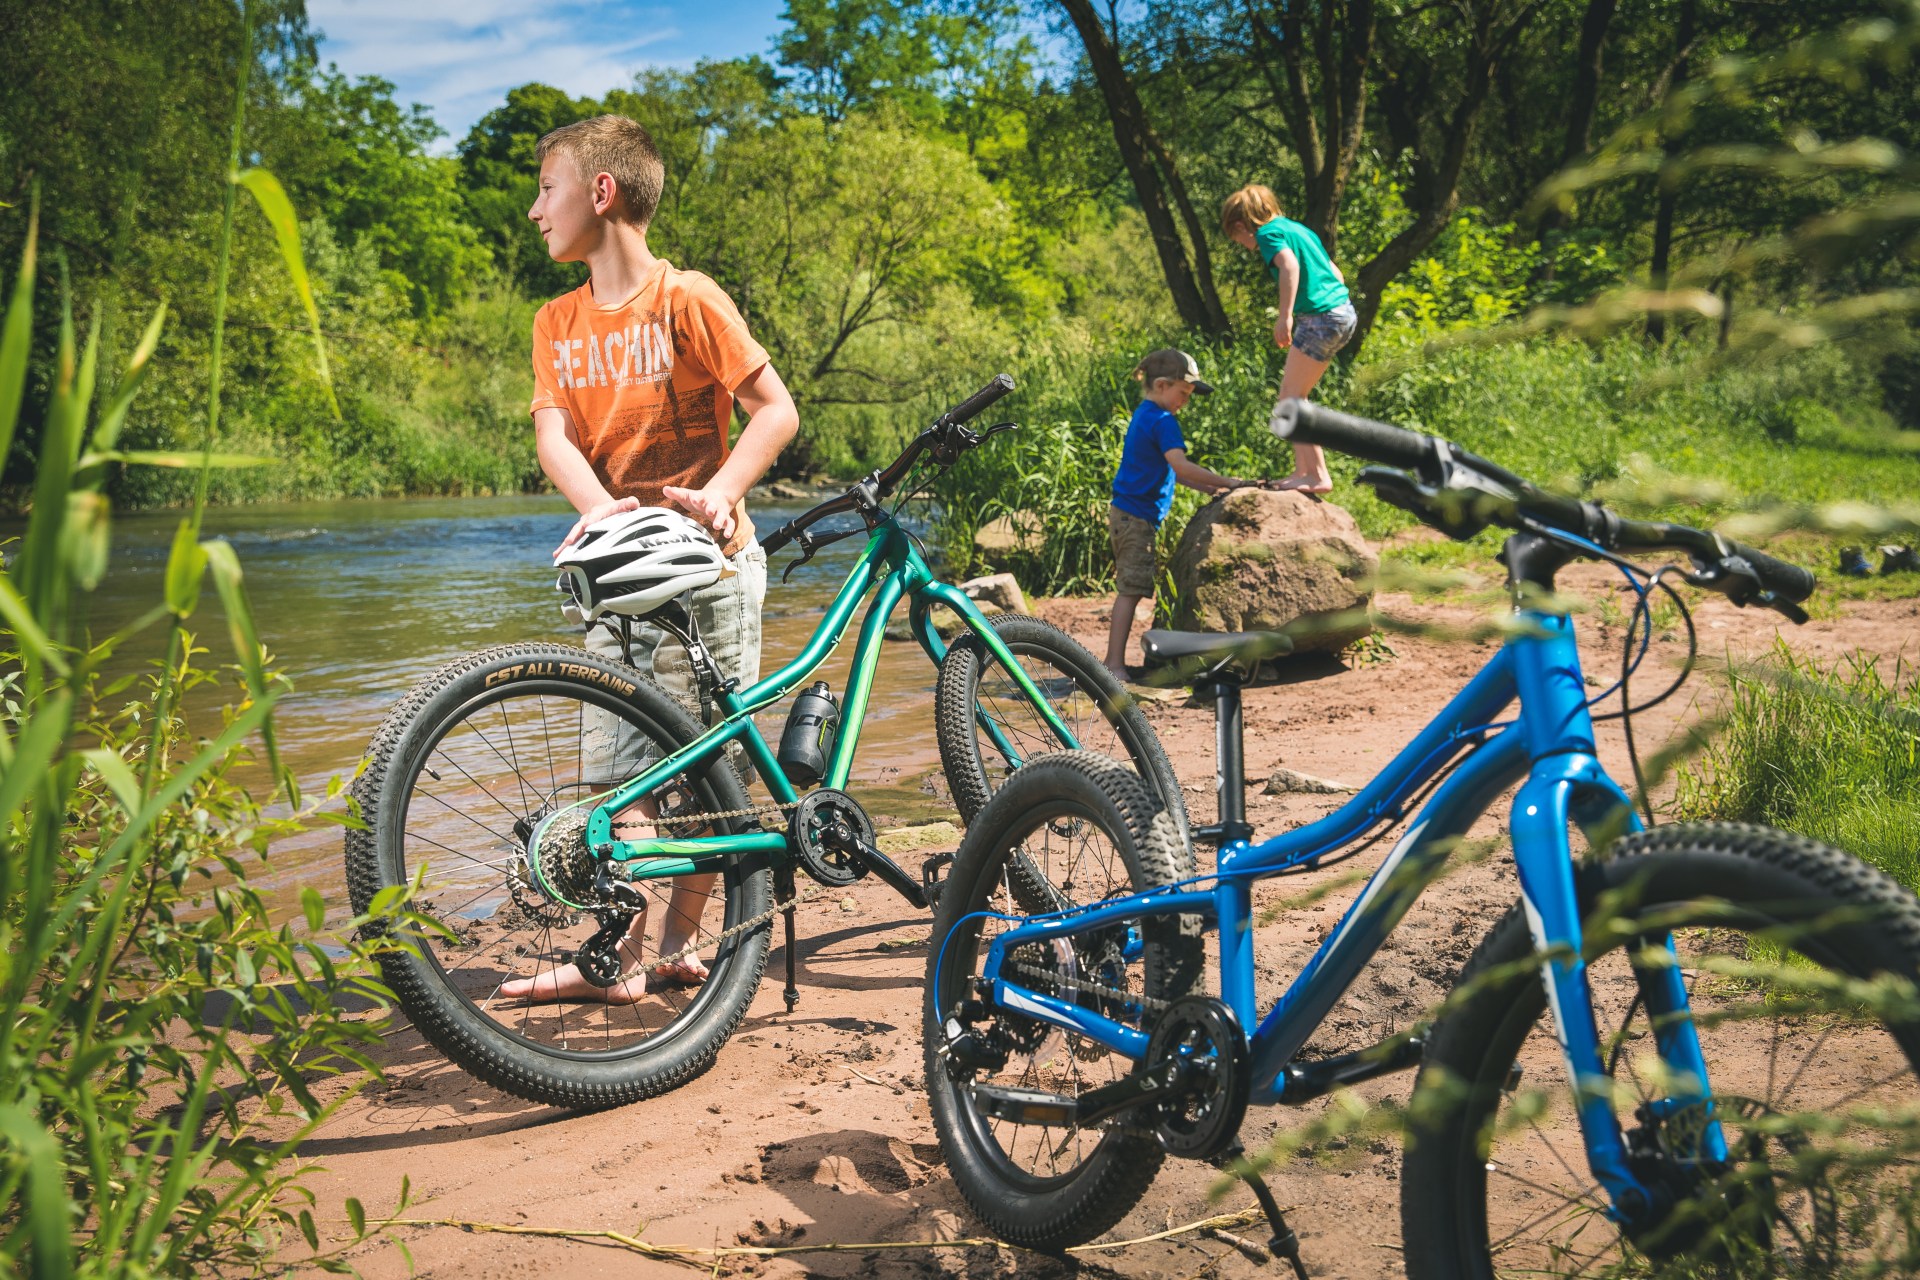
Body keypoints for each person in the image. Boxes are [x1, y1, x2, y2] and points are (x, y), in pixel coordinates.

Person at [504, 114, 800, 1005]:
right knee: (613, 771)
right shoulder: (554, 320)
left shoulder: (689, 298)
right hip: (617, 577)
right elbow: (555, 440)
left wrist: (723, 491)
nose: (532, 210)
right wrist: (604, 522)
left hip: (709, 567)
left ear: (602, 193)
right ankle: (621, 956)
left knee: (707, 764)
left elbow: (774, 411)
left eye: (546, 187)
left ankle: (673, 945)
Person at [1105, 349, 1250, 681]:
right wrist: (1228, 482)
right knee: (1130, 589)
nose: (1185, 401)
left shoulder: (1144, 414)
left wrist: (1210, 489)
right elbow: (1181, 465)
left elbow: (1175, 474)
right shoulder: (1163, 420)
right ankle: (1113, 665)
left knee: (1134, 586)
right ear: (1161, 385)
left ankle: (1114, 662)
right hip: (1135, 517)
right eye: (1183, 393)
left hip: (1127, 515)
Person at [1221, 183, 1358, 494]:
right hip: (1343, 314)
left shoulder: (1267, 234)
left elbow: (1289, 266)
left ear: (1242, 226)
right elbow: (1336, 274)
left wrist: (1285, 316)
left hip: (1320, 318)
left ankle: (1316, 475)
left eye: (1238, 239)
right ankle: (1307, 471)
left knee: (1289, 399)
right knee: (1296, 396)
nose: (1244, 245)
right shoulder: (1298, 229)